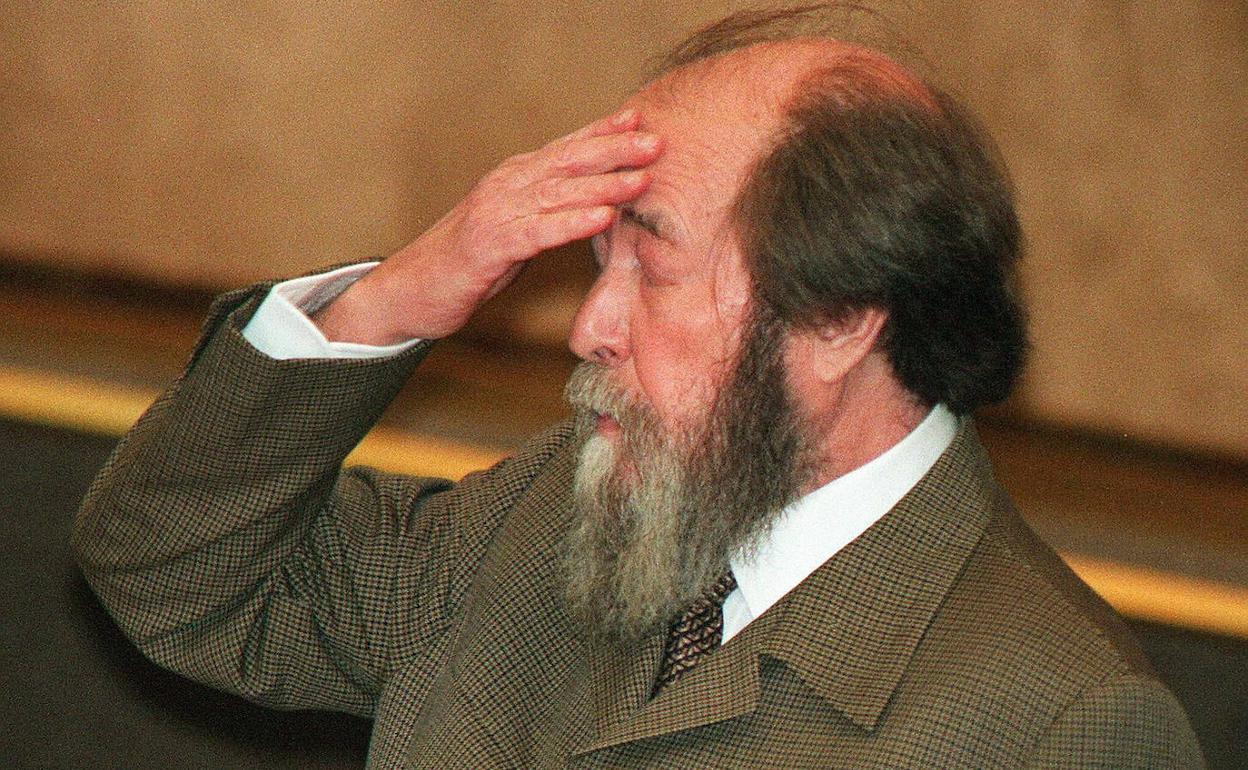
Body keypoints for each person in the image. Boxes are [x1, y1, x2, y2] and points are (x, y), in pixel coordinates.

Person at [74, 6, 1203, 768]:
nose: (588, 327)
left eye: (649, 266)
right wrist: (388, 304)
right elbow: (174, 571)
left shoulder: (1061, 723)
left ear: (840, 317)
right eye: (593, 261)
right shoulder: (543, 516)